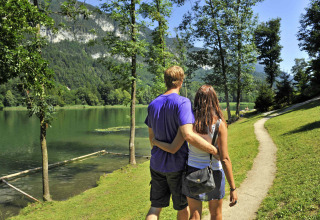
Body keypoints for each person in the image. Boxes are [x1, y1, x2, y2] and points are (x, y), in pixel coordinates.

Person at [152, 85, 238, 220]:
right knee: (216, 214)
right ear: (214, 100)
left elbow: (176, 144)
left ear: (197, 99)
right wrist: (233, 188)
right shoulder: (219, 124)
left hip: (192, 171)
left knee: (195, 214)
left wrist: (155, 142)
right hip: (214, 171)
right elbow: (225, 158)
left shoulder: (189, 121)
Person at [145, 66, 219, 220]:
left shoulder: (152, 104)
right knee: (182, 207)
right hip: (177, 166)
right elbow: (188, 135)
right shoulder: (182, 103)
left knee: (155, 208)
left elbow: (152, 139)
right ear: (181, 81)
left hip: (156, 164)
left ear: (165, 81)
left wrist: (158, 143)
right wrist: (214, 150)